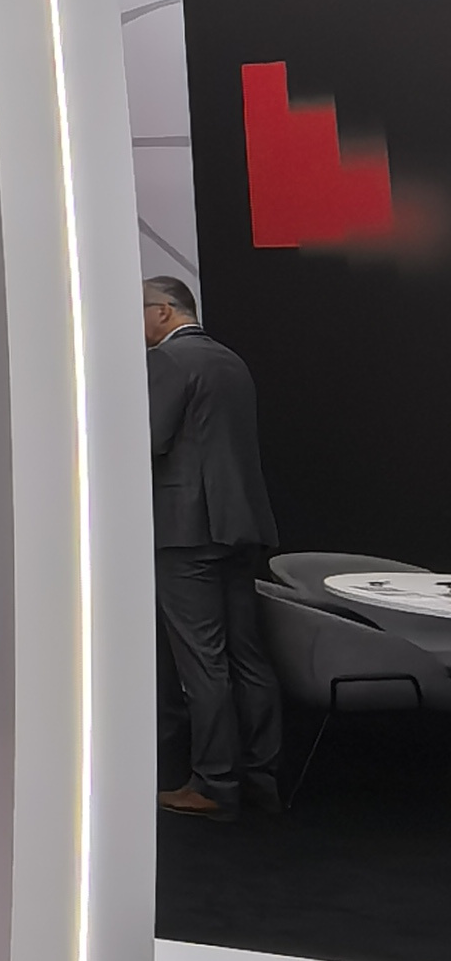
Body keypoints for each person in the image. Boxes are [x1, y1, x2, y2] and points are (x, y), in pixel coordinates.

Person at [145, 274, 284, 817]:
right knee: (247, 657)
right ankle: (260, 776)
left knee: (202, 660)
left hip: (186, 531)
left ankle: (214, 783)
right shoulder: (231, 361)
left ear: (163, 311)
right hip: (240, 525)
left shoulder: (167, 361)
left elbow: (150, 439)